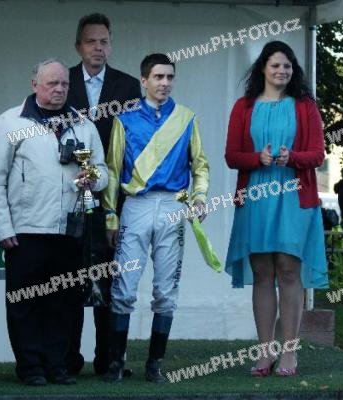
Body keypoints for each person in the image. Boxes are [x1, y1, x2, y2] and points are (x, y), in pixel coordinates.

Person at [0, 59, 108, 386]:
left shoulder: (84, 124)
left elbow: (103, 171)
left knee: (63, 302)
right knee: (24, 302)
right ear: (34, 84)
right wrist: (2, 228)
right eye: (52, 83)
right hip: (25, 230)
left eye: (64, 84)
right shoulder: (9, 122)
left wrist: (93, 178)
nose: (59, 89)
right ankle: (30, 367)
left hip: (70, 229)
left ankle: (57, 366)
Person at [103, 53, 210, 383]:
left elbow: (200, 165)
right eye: (158, 77)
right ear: (144, 80)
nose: (164, 83)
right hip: (135, 206)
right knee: (124, 288)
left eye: (169, 77)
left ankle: (154, 365)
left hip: (172, 207)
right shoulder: (124, 119)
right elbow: (111, 169)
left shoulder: (186, 118)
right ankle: (116, 363)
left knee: (166, 290)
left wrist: (200, 197)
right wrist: (110, 216)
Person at [224, 41, 328, 377]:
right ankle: (265, 352)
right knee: (262, 272)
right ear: (263, 69)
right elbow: (231, 156)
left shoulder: (305, 106)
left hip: (295, 196)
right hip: (256, 195)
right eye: (275, 66)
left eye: (287, 66)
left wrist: (291, 157)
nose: (282, 71)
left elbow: (317, 154)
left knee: (288, 269)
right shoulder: (244, 107)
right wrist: (258, 158)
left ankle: (289, 352)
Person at [66, 12, 141, 376]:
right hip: (69, 193)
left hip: (114, 197)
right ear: (78, 46)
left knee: (109, 276)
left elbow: (135, 144)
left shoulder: (128, 86)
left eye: (104, 41)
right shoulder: (61, 81)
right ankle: (67, 359)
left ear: (111, 45)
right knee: (69, 275)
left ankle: (108, 360)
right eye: (91, 41)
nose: (98, 47)